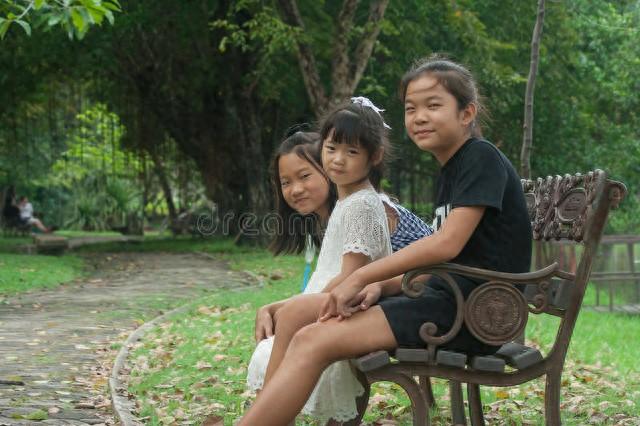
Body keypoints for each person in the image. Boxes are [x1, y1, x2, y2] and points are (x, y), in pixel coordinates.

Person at [238, 55, 532, 425]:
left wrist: (364, 277)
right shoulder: (454, 169)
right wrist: (384, 285)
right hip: (448, 302)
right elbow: (451, 263)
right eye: (411, 108)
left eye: (433, 105)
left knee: (313, 340)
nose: (419, 117)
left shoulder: (480, 157)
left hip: (473, 313)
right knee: (306, 330)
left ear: (466, 113)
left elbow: (447, 246)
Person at [246, 127, 432, 423]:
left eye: (305, 176)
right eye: (286, 182)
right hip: (374, 296)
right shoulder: (340, 211)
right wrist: (276, 307)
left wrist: (288, 308)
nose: (295, 189)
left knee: (297, 326)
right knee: (280, 333)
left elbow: (357, 277)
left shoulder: (367, 208)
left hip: (409, 299)